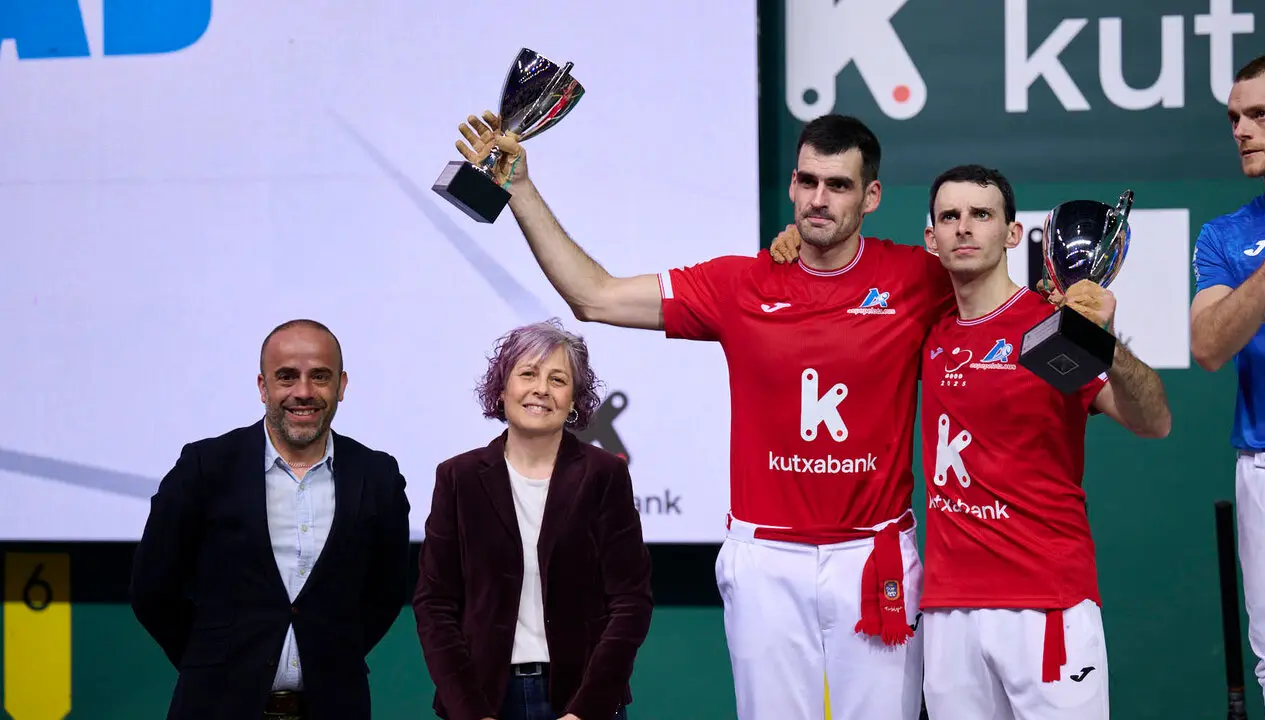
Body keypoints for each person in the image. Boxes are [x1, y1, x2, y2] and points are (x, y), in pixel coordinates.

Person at [450, 110, 955, 720]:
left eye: (839, 185)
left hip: (873, 557)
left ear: (871, 195)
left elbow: (1000, 307)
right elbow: (594, 295)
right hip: (767, 560)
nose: (819, 200)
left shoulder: (916, 278)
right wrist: (521, 189)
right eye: (808, 181)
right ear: (792, 185)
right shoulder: (739, 284)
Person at [773, 164, 1171, 718]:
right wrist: (800, 243)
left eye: (981, 215)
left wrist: (1105, 344)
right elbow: (843, 279)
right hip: (946, 612)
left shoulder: (1048, 329)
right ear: (931, 238)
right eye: (950, 217)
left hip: (1044, 604)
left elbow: (1152, 420)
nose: (965, 227)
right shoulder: (927, 331)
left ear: (1012, 233)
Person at [129, 319, 411, 720]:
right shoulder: (205, 467)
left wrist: (330, 656)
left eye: (319, 376)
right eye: (286, 377)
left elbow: (385, 594)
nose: (303, 392)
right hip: (214, 707)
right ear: (263, 387)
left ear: (342, 386)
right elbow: (152, 589)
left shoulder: (378, 476)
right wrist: (209, 660)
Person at [413, 319, 653, 720]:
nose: (541, 388)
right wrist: (471, 712)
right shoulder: (458, 478)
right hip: (483, 699)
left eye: (557, 379)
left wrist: (586, 710)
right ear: (502, 389)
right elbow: (434, 605)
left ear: (574, 399)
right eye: (527, 374)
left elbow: (631, 602)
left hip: (582, 701)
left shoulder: (604, 475)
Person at [1191, 51, 1265, 718]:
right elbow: (1209, 346)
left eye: (1258, 114)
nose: (1241, 130)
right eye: (1233, 118)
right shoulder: (1227, 236)